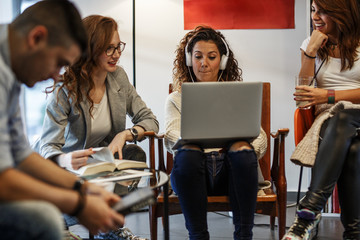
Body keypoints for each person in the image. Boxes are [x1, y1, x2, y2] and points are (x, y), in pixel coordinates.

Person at [0, 1, 125, 240]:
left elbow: (21, 154)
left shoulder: (11, 68)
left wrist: (84, 189)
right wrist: (78, 205)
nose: (56, 75)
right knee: (44, 220)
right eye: (59, 62)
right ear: (37, 38)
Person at [34, 15, 159, 240]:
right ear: (91, 49)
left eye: (118, 46)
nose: (117, 54)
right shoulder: (66, 89)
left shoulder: (118, 77)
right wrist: (65, 160)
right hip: (71, 166)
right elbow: (47, 145)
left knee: (135, 154)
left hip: (101, 163)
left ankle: (106, 228)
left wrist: (126, 134)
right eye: (108, 49)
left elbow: (150, 120)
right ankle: (71, 222)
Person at [164, 25, 268, 240]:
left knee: (242, 149)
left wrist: (246, 148)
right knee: (188, 151)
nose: (204, 63)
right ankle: (198, 236)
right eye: (198, 56)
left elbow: (260, 136)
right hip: (191, 172)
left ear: (221, 61)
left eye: (211, 57)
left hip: (231, 171)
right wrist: (196, 140)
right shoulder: (176, 98)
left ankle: (244, 236)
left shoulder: (237, 95)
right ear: (188, 60)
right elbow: (171, 136)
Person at [283, 0, 360, 239]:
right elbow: (303, 99)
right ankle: (354, 233)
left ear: (342, 11)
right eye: (313, 10)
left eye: (323, 11)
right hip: (332, 118)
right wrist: (310, 53)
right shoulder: (311, 44)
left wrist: (329, 94)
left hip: (352, 112)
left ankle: (307, 212)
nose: (315, 16)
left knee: (344, 113)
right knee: (355, 148)